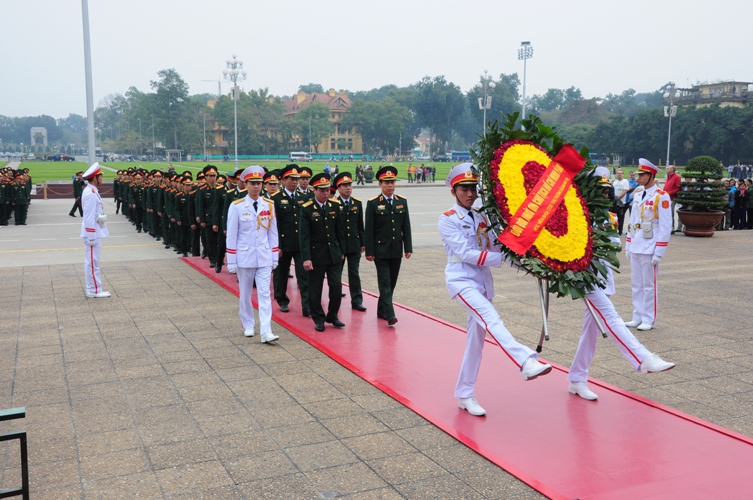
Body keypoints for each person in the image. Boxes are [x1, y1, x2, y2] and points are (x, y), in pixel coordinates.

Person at [438, 163, 552, 417]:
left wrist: (526, 264)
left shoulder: (481, 217)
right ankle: (524, 361)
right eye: (464, 189)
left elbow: (498, 248)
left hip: (482, 283)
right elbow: (465, 253)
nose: (470, 193)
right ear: (453, 191)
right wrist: (500, 260)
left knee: (475, 344)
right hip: (461, 282)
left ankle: (465, 394)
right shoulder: (447, 220)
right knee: (491, 319)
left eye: (473, 188)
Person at [568, 172, 675, 401]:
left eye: (607, 190)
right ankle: (643, 359)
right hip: (586, 278)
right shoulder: (579, 215)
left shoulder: (607, 216)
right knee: (611, 317)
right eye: (601, 190)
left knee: (591, 331)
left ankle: (577, 378)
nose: (605, 195)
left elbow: (613, 242)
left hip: (602, 277)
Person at [226, 166, 279, 343]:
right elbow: (232, 235)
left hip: (263, 256)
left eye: (259, 183)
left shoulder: (269, 205)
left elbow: (273, 233)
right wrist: (231, 260)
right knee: (245, 293)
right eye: (252, 183)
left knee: (264, 294)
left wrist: (274, 256)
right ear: (246, 185)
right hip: (245, 256)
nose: (256, 187)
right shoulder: (237, 206)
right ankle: (248, 324)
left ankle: (266, 330)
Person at [624, 159, 672, 331]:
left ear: (651, 175)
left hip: (651, 244)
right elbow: (634, 221)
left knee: (649, 285)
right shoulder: (638, 194)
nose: (638, 178)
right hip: (637, 241)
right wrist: (628, 244)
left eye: (642, 175)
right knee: (636, 283)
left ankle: (648, 318)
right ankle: (637, 315)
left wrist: (659, 251)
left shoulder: (661, 196)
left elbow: (666, 226)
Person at [364, 166, 412, 325]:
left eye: (392, 182)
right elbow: (369, 230)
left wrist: (408, 248)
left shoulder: (401, 202)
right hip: (380, 251)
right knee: (384, 283)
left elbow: (406, 226)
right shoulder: (373, 204)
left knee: (391, 283)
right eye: (386, 182)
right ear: (380, 184)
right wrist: (369, 251)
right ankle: (390, 315)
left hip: (396, 249)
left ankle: (381, 310)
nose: (390, 185)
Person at [300, 173, 346, 331]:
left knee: (336, 286)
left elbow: (340, 231)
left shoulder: (334, 206)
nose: (325, 193)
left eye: (327, 190)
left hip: (333, 254)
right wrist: (306, 258)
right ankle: (318, 318)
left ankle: (332, 315)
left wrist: (342, 251)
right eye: (322, 190)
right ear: (314, 190)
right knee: (315, 289)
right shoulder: (307, 209)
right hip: (316, 255)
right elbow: (304, 236)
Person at [271, 164, 310, 315]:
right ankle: (282, 300)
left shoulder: (304, 197)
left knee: (305, 275)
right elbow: (275, 224)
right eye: (291, 179)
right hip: (283, 243)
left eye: (296, 179)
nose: (295, 182)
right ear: (283, 181)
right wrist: (277, 245)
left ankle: (307, 305)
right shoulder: (276, 198)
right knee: (281, 275)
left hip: (300, 244)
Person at [334, 172, 367, 311]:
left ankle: (357, 300)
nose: (348, 188)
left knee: (354, 273)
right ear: (338, 188)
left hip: (354, 244)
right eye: (345, 186)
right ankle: (335, 300)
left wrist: (363, 243)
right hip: (338, 246)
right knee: (336, 274)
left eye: (349, 185)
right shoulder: (333, 204)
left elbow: (360, 225)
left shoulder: (357, 203)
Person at [80, 163, 110, 298]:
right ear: (95, 178)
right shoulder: (91, 193)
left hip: (94, 230)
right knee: (92, 262)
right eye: (100, 176)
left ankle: (94, 288)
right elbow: (88, 216)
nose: (102, 178)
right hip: (92, 233)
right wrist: (91, 236)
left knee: (93, 261)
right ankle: (94, 290)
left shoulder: (92, 191)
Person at [197, 165, 220, 268]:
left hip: (219, 218)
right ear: (205, 177)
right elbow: (200, 205)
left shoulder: (220, 188)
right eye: (210, 176)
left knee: (219, 241)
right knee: (210, 240)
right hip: (208, 218)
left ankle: (219, 258)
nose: (212, 178)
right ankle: (212, 259)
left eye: (214, 176)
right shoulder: (202, 190)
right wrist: (202, 219)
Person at [664, 166, 682, 234]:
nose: (666, 169)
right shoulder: (668, 177)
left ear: (672, 170)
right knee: (666, 213)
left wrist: (669, 193)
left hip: (672, 198)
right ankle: (668, 226)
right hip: (666, 198)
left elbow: (678, 188)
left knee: (670, 213)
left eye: (668, 168)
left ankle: (671, 227)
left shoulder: (676, 177)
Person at [611, 169, 629, 235]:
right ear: (616, 174)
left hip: (622, 203)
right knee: (614, 217)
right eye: (618, 173)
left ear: (623, 174)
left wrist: (617, 198)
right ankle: (614, 230)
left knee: (621, 218)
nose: (619, 174)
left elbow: (624, 191)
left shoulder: (625, 182)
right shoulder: (615, 182)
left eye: (620, 173)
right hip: (615, 203)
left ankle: (620, 231)